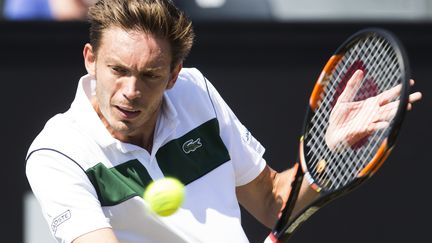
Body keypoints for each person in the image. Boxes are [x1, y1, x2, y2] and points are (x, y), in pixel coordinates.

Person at [25, 0, 422, 243]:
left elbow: (271, 203)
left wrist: (327, 148)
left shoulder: (195, 91)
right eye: (118, 70)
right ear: (90, 59)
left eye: (150, 76)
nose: (131, 90)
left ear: (174, 74)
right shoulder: (57, 153)